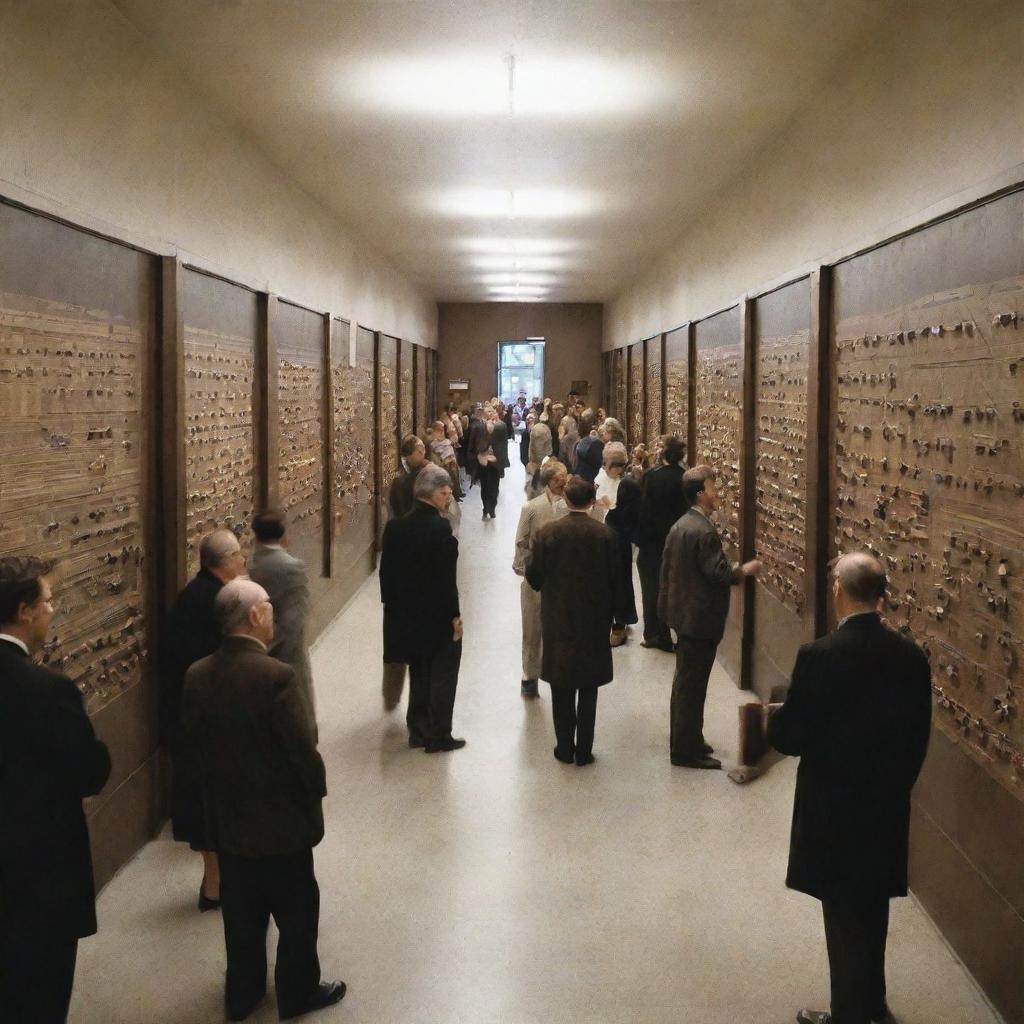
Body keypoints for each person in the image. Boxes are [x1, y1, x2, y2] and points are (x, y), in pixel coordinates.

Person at [768, 553, 931, 1024]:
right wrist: (896, 787)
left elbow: (790, 738)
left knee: (842, 920)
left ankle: (849, 1016)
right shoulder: (910, 657)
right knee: (872, 910)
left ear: (837, 587)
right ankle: (871, 1005)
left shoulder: (818, 657)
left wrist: (775, 718)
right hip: (884, 807)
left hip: (832, 811)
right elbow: (917, 737)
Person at [181, 579, 344, 1021]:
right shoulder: (276, 676)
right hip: (281, 824)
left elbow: (193, 749)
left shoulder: (197, 675)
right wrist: (316, 789)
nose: (272, 614)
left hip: (229, 823)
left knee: (241, 917)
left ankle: (244, 992)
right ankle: (297, 992)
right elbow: (299, 750)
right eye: (268, 607)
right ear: (255, 616)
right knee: (296, 914)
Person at [0, 556, 112, 1023]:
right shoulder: (48, 691)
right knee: (38, 998)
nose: (53, 610)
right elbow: (90, 771)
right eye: (47, 601)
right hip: (36, 879)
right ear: (25, 612)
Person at [164, 528, 247, 909]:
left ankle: (213, 884)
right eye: (238, 554)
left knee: (205, 804)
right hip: (215, 721)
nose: (243, 559)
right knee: (219, 803)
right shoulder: (222, 602)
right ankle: (219, 887)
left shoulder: (190, 596)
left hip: (190, 715)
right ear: (225, 560)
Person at [659, 466, 760, 769]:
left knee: (687, 683)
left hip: (684, 614)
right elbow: (718, 574)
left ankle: (688, 738)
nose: (718, 493)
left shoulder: (682, 525)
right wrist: (744, 571)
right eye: (713, 487)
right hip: (699, 618)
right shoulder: (703, 531)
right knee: (692, 685)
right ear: (701, 493)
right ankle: (685, 751)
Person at [525, 476, 620, 766]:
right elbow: (617, 580)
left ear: (566, 500)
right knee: (588, 686)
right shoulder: (606, 535)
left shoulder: (547, 533)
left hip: (559, 617)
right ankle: (584, 750)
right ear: (592, 502)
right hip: (593, 619)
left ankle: (564, 747)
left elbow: (535, 577)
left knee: (561, 686)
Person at [379, 464, 465, 752]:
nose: (448, 497)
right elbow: (445, 579)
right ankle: (438, 733)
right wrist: (454, 616)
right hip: (436, 613)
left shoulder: (395, 527)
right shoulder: (440, 528)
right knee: (442, 673)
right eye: (446, 492)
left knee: (418, 669)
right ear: (436, 493)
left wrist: (393, 610)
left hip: (405, 614)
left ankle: (417, 728)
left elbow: (386, 574)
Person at [248, 509, 317, 736]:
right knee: (296, 711)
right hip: (285, 651)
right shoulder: (291, 566)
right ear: (283, 534)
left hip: (253, 648)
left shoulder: (250, 565)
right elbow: (292, 621)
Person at [513, 459, 568, 699]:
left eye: (565, 478)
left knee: (562, 626)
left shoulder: (571, 505)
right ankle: (530, 674)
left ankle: (559, 670)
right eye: (558, 479)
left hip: (565, 575)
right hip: (538, 576)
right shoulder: (532, 509)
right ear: (548, 480)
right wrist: (525, 566)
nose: (563, 483)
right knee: (533, 626)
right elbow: (521, 540)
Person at [635, 436, 688, 652]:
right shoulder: (684, 477)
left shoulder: (651, 477)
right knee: (674, 587)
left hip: (652, 543)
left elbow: (644, 510)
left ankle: (654, 634)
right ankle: (676, 632)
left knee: (651, 588)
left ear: (664, 453)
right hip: (676, 541)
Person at [605, 471, 641, 648]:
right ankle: (622, 621)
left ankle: (616, 623)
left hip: (611, 557)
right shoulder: (637, 513)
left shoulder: (614, 514)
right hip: (625, 556)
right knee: (624, 588)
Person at [389, 433, 427, 518]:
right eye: (419, 450)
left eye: (423, 448)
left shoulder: (424, 469)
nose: (423, 452)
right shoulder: (400, 480)